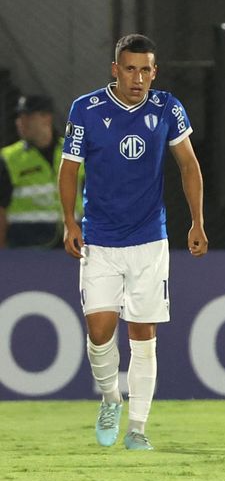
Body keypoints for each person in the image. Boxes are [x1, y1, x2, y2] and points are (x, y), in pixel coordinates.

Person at [59, 33, 208, 451]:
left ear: (154, 72)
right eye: (130, 68)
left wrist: (197, 222)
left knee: (143, 333)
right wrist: (70, 222)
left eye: (146, 69)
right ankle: (110, 399)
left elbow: (189, 165)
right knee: (100, 330)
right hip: (101, 239)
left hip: (148, 239)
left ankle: (138, 428)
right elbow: (69, 168)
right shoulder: (85, 110)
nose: (138, 77)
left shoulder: (167, 108)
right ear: (115, 69)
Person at [1, 94, 79, 248]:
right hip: (26, 248)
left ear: (46, 118)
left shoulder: (73, 152)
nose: (20, 122)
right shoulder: (8, 158)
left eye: (27, 117)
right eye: (19, 117)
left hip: (71, 245)